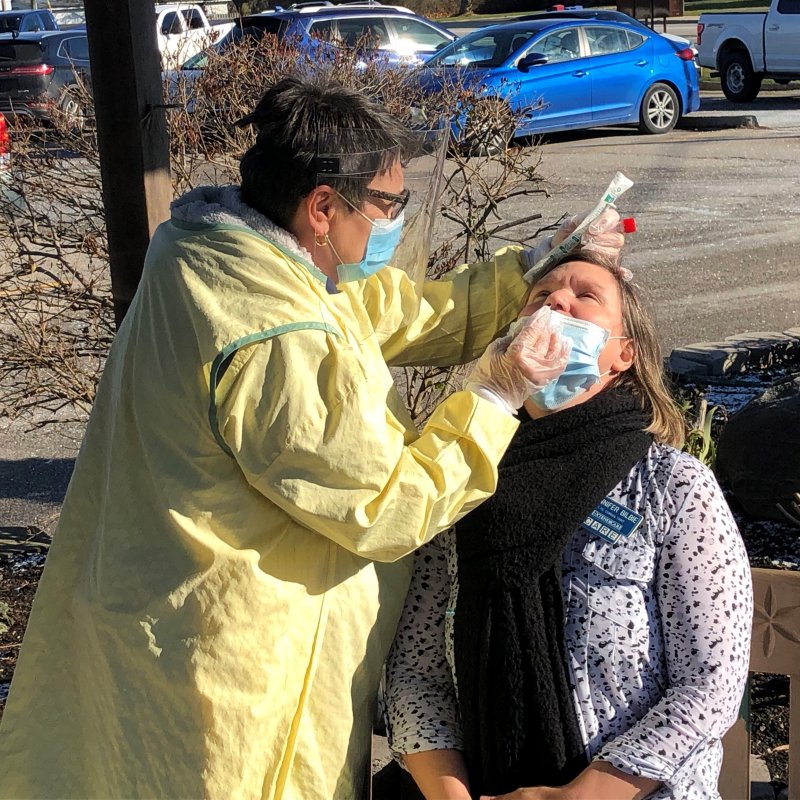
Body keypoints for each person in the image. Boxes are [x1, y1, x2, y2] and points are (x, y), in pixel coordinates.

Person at [0, 75, 578, 800]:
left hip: (156, 615)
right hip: (234, 663)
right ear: (323, 207)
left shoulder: (218, 255)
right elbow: (387, 505)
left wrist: (525, 273)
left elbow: (377, 314)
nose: (393, 224)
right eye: (387, 207)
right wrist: (495, 398)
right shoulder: (275, 336)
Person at [385, 249, 753, 800]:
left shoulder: (670, 485)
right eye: (540, 296)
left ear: (622, 354)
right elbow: (416, 670)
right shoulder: (462, 477)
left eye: (585, 296)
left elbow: (711, 683)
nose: (556, 300)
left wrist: (579, 797)